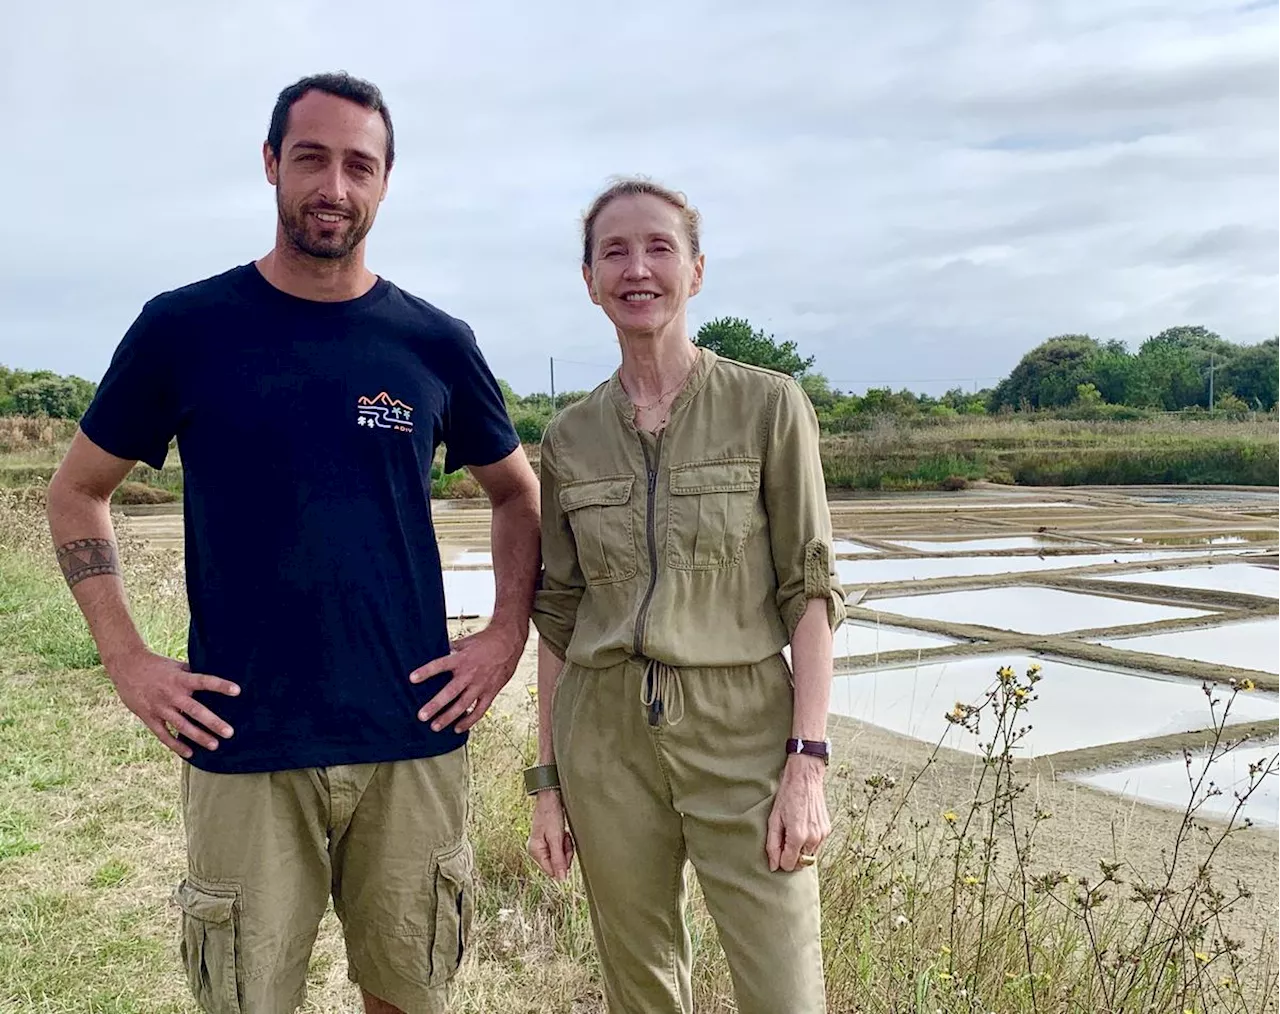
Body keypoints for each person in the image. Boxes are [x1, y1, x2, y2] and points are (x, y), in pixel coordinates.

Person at [45, 72, 540, 1014]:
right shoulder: (183, 329)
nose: (334, 186)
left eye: (360, 165)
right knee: (245, 998)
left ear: (387, 182)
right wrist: (126, 659)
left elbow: (519, 495)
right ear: (271, 164)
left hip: (411, 735)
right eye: (311, 158)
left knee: (409, 995)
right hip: (242, 735)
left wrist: (504, 636)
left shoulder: (434, 342)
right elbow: (77, 493)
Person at [525, 177, 847, 1014]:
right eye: (615, 251)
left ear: (696, 272)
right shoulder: (568, 438)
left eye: (660, 247)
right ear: (590, 279)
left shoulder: (770, 406)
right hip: (604, 732)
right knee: (641, 988)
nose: (639, 269)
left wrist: (806, 761)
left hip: (741, 726)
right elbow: (558, 615)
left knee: (784, 989)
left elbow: (809, 589)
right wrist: (547, 782)